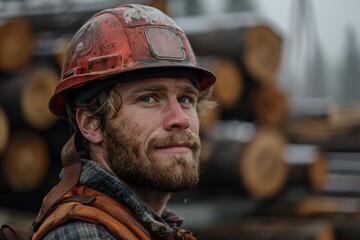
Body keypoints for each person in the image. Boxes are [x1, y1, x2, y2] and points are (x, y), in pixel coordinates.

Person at [31, 3, 216, 240]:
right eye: (148, 98)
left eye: (185, 99)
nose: (180, 119)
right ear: (91, 123)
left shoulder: (148, 226)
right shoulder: (84, 235)